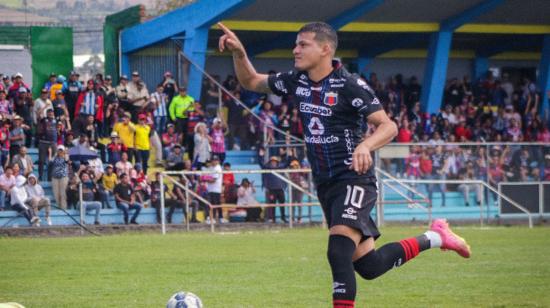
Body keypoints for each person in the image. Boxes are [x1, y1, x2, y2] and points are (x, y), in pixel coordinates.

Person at [218, 22, 470, 308]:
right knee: (369, 266)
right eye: (296, 44)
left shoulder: (350, 85)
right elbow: (251, 81)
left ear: (325, 49)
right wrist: (238, 53)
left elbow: (389, 126)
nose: (295, 49)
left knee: (338, 252)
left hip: (354, 178)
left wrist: (365, 145)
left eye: (303, 44)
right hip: (326, 184)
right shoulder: (296, 80)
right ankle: (436, 237)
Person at [49, 145, 69, 209]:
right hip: (55, 177)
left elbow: (67, 160)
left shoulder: (65, 157)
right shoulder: (55, 157)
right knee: (56, 194)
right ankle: (59, 207)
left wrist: (65, 153)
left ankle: (63, 208)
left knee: (63, 193)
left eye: (61, 150)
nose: (60, 151)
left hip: (63, 177)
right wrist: (54, 154)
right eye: (59, 150)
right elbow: (50, 162)